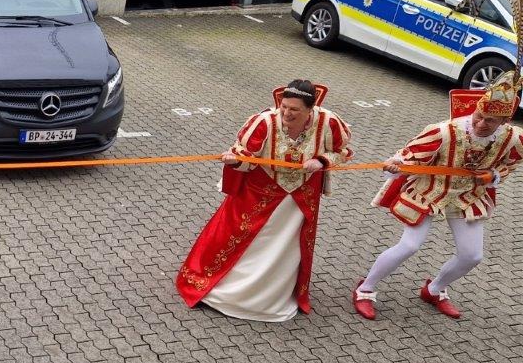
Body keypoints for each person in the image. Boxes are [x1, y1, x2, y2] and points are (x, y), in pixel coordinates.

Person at [176, 80, 353, 321]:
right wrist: (235, 161)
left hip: (300, 199)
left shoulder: (329, 123)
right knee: (242, 236)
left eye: (294, 110)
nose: (287, 113)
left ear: (310, 110)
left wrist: (321, 161)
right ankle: (229, 291)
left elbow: (342, 151)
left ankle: (274, 294)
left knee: (287, 246)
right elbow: (247, 157)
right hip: (261, 193)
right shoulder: (264, 122)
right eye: (284, 107)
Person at [353, 73, 523, 320]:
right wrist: (397, 162)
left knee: (472, 255)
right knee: (409, 246)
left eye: (490, 121)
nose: (480, 123)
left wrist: (493, 174)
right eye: (479, 116)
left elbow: (510, 164)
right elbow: (410, 154)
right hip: (429, 193)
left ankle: (434, 289)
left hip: (468, 198)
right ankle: (365, 288)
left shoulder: (514, 139)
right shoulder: (445, 131)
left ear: (505, 120)